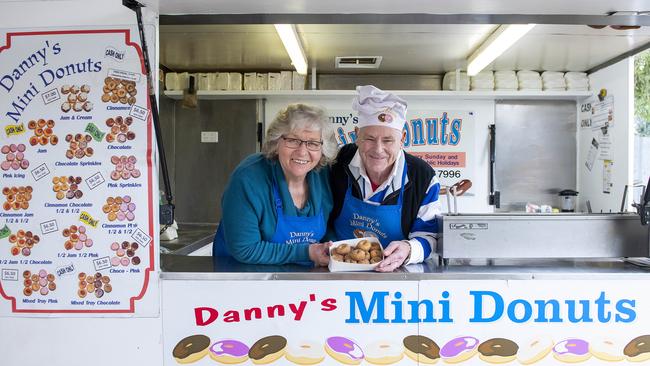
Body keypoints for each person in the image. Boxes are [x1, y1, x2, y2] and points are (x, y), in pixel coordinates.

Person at [329, 85, 441, 272]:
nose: (378, 149)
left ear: (402, 138)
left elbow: (430, 236)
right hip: (338, 272)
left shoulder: (422, 177)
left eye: (388, 140)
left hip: (395, 277)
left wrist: (408, 250)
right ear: (357, 135)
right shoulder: (337, 164)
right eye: (369, 139)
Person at [213, 103, 337, 266]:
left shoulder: (323, 176)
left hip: (300, 281)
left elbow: (329, 227)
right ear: (276, 142)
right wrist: (307, 253)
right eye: (293, 140)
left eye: (313, 143)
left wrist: (331, 247)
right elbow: (245, 249)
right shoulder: (249, 178)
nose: (302, 151)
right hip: (244, 278)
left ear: (322, 149)